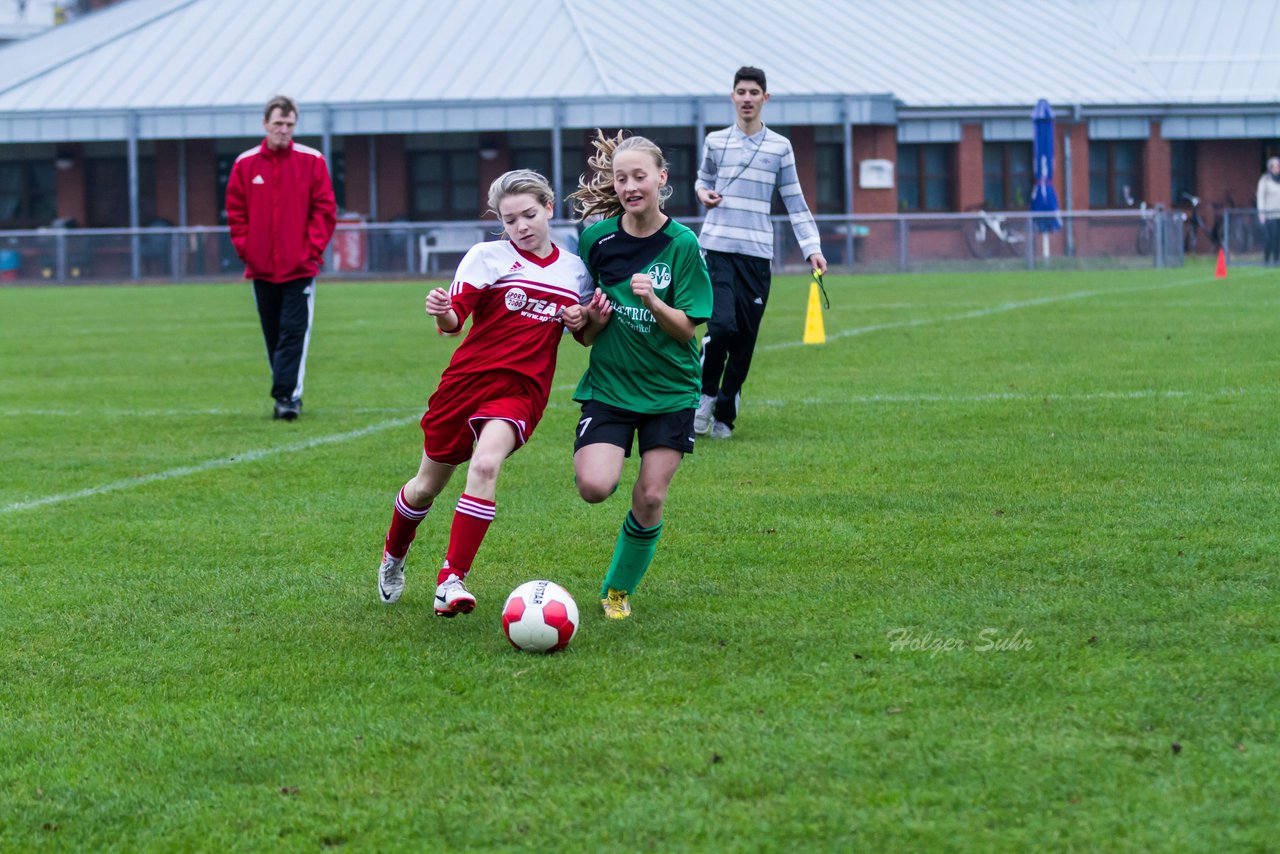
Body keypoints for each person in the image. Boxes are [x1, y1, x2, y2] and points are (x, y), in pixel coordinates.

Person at [376, 170, 593, 615]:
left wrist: (585, 320)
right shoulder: (486, 257)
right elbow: (455, 321)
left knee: (487, 463)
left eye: (530, 214)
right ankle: (393, 556)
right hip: (465, 384)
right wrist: (442, 312)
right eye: (510, 220)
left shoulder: (576, 271)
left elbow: (586, 337)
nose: (522, 226)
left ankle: (450, 580)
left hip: (520, 391)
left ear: (549, 208)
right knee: (423, 488)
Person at [568, 131, 714, 620]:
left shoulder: (682, 244)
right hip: (610, 386)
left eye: (639, 177)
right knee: (593, 486)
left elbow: (688, 329)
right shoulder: (596, 239)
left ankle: (616, 591)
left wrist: (653, 300)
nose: (630, 186)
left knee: (650, 495)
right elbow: (586, 335)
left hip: (670, 390)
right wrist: (589, 320)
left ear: (661, 179)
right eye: (621, 178)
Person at [694, 66, 828, 439]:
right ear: (732, 97)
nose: (748, 98)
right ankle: (703, 397)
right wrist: (703, 193)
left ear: (765, 98)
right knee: (720, 328)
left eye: (755, 92)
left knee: (744, 342)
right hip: (717, 248)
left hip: (756, 254)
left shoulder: (780, 146)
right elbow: (702, 180)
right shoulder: (715, 142)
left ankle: (724, 414)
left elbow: (795, 202)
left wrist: (811, 249)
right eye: (741, 91)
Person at [226, 95, 337, 421]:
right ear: (265, 124)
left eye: (289, 125)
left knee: (292, 332)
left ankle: (287, 397)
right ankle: (285, 389)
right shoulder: (245, 165)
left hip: (299, 268)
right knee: (272, 334)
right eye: (278, 124)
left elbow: (325, 210)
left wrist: (311, 250)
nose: (283, 130)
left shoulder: (311, 160)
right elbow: (236, 213)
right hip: (261, 269)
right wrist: (248, 250)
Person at [1258, 156, 1280, 266]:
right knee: (1269, 240)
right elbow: (1261, 197)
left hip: (1279, 215)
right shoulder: (1265, 180)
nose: (1277, 168)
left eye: (1278, 166)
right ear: (1270, 168)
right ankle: (1266, 261)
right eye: (1274, 166)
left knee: (1278, 240)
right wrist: (1262, 213)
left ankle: (1276, 261)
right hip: (1270, 215)